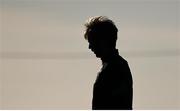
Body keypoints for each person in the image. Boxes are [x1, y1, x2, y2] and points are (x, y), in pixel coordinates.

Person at [84, 16, 133, 110]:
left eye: (92, 41)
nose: (90, 47)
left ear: (103, 41)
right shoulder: (118, 66)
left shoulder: (114, 69)